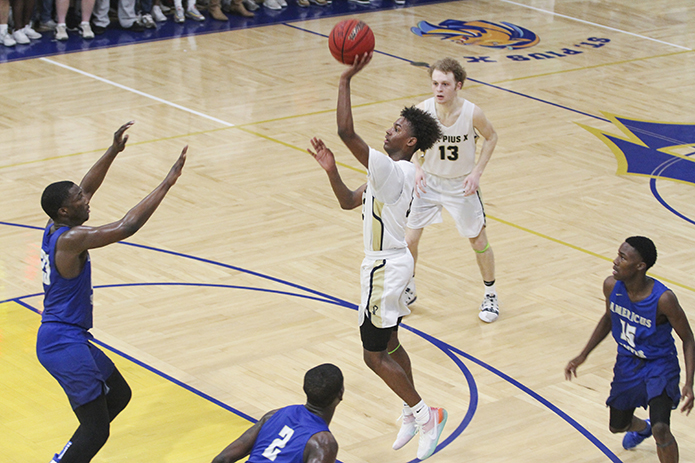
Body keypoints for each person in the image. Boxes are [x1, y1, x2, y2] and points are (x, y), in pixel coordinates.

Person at [308, 52, 447, 461]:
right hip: (395, 261)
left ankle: (426, 414)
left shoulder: (393, 169)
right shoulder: (389, 173)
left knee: (372, 356)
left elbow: (345, 129)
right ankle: (410, 408)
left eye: (398, 128)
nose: (389, 130)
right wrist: (331, 169)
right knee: (389, 342)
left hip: (384, 266)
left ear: (411, 142)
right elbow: (350, 201)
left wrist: (345, 80)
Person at [38, 121, 187, 463]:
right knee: (97, 429)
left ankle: (72, 452)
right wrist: (166, 183)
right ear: (65, 210)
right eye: (78, 200)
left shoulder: (54, 226)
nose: (85, 200)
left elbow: (86, 186)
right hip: (63, 343)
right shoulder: (72, 239)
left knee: (118, 394)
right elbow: (127, 226)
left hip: (64, 337)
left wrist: (113, 151)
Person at [565, 236, 694, 463]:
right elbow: (608, 318)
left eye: (623, 258)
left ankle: (653, 430)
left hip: (660, 365)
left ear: (640, 266)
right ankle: (642, 428)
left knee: (661, 429)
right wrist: (583, 355)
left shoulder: (664, 299)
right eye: (618, 254)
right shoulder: (611, 286)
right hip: (628, 363)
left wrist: (689, 383)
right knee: (617, 426)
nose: (615, 261)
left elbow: (688, 339)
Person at [405, 57, 500, 323]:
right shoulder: (422, 111)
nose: (439, 89)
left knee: (478, 241)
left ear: (458, 85)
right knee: (409, 240)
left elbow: (492, 137)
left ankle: (490, 294)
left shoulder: (473, 113)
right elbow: (406, 142)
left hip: (461, 185)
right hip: (430, 182)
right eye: (435, 83)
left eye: (445, 84)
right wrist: (417, 167)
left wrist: (477, 172)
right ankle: (409, 287)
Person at [212, 363, 343, 463]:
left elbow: (222, 459)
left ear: (305, 389)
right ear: (341, 393)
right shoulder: (323, 443)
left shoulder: (274, 415)